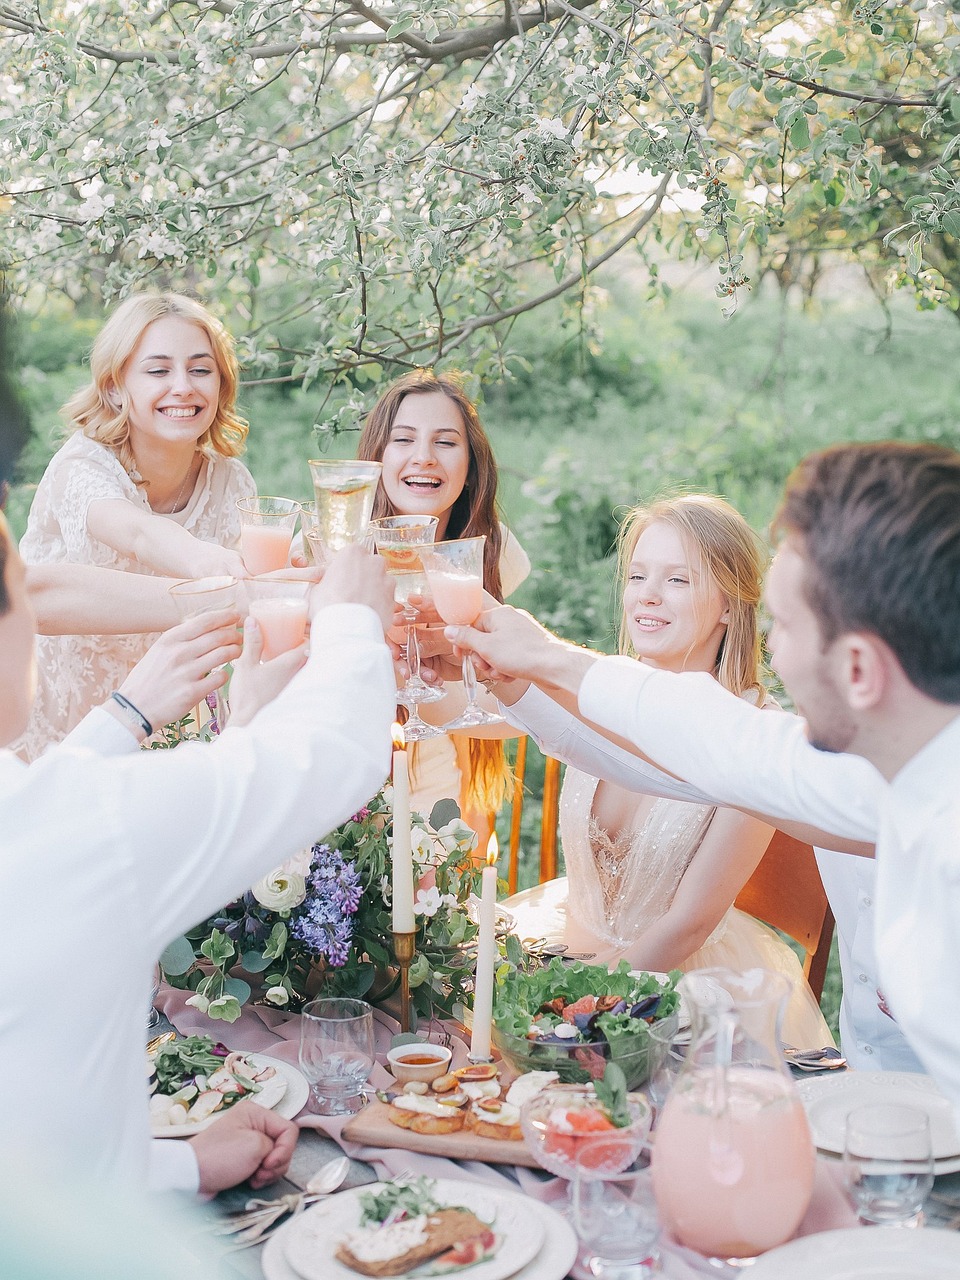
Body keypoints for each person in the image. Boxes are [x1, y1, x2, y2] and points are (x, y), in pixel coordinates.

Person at [447, 442, 960, 1112]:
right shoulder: (856, 773)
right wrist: (525, 672)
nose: (769, 644)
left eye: (786, 624)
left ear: (860, 669)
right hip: (874, 1091)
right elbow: (700, 748)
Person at [0, 513, 396, 1189]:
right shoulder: (74, 828)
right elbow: (335, 752)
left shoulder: (36, 812)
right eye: (23, 591)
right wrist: (351, 622)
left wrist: (180, 1164)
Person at [489, 495, 831, 1046]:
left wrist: (577, 1009)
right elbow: (509, 700)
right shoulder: (605, 688)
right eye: (637, 575)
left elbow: (688, 923)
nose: (646, 595)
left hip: (681, 981)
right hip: (570, 939)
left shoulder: (753, 733)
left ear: (728, 604)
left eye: (678, 580)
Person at [15, 291, 258, 759]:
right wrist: (217, 575)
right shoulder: (81, 466)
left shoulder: (232, 482)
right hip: (60, 723)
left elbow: (252, 610)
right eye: (158, 370)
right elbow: (137, 533)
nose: (184, 386)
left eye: (201, 369)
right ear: (114, 387)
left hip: (168, 729)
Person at [357, 369, 529, 837]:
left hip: (432, 783)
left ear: (472, 463)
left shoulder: (492, 551)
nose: (423, 458)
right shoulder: (335, 546)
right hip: (346, 785)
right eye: (404, 439)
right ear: (377, 456)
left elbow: (471, 711)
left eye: (446, 443)